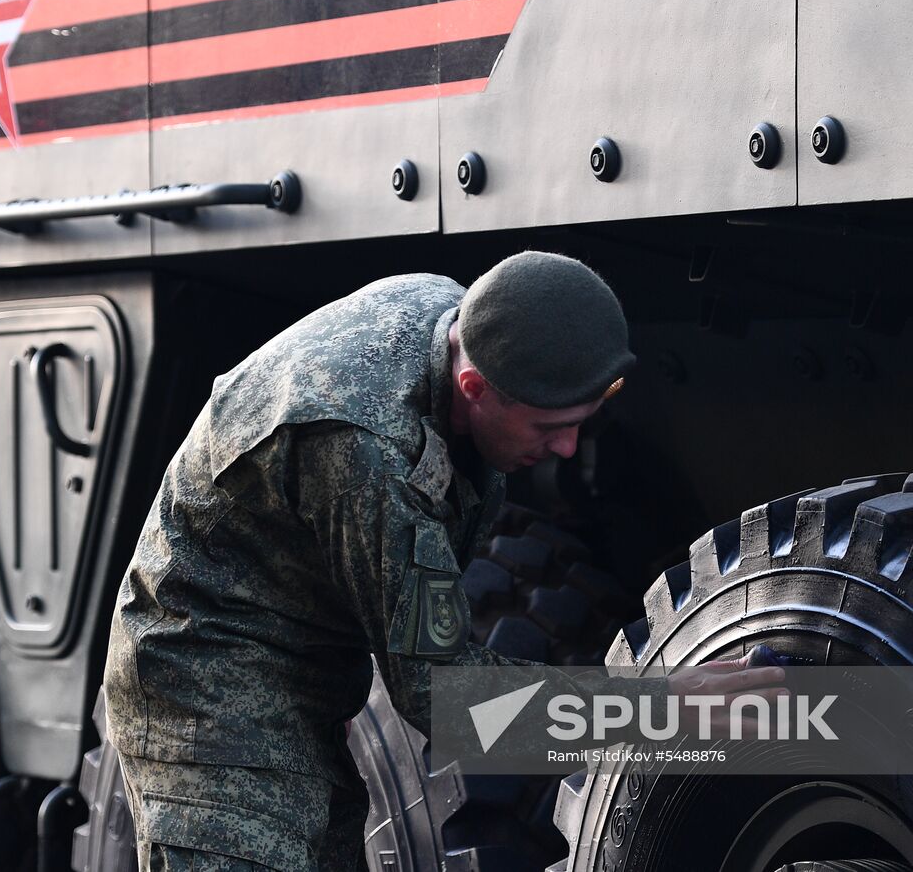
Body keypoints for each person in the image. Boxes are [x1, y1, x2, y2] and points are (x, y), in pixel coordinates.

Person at [104, 251, 783, 871]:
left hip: (302, 661)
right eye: (550, 428)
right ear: (474, 386)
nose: (571, 449)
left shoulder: (470, 319)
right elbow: (446, 698)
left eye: (583, 421)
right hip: (204, 672)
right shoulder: (366, 448)